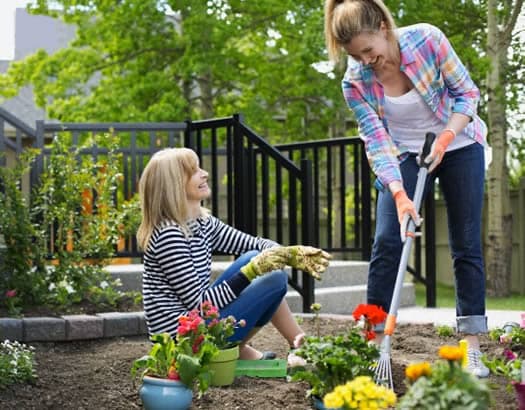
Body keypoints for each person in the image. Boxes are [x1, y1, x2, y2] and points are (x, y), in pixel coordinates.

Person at [324, 0, 489, 376]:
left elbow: (467, 95)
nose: (365, 60)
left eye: (368, 50)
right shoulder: (355, 81)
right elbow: (376, 141)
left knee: (465, 243)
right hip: (403, 154)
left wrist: (446, 138)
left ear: (383, 26)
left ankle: (473, 345)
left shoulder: (427, 40)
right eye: (355, 55)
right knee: (387, 240)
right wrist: (399, 194)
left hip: (460, 142)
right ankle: (373, 342)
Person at [136, 147, 331, 360]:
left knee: (252, 256)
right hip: (183, 342)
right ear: (173, 186)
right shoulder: (169, 235)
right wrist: (251, 272)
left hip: (199, 323)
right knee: (273, 279)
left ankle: (260, 347)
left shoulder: (202, 223)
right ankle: (291, 347)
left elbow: (254, 244)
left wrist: (289, 254)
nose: (204, 174)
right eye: (193, 171)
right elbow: (199, 305)